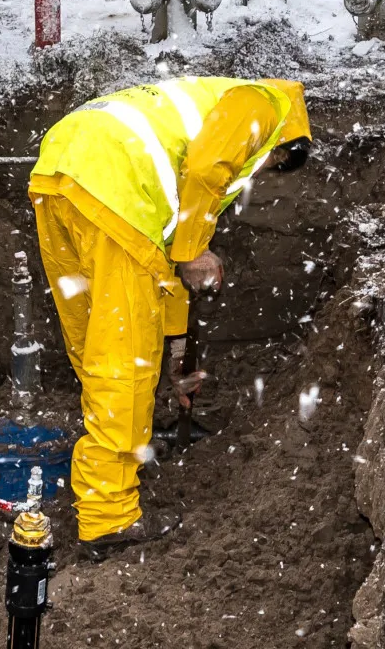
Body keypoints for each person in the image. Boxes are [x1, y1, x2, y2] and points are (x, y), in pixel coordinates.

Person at [28, 77, 311, 559]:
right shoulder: (265, 104)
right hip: (114, 188)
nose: (260, 172)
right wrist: (196, 250)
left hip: (63, 172)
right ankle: (108, 518)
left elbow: (163, 270)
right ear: (287, 143)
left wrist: (178, 360)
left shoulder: (194, 117)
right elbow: (205, 173)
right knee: (124, 362)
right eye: (271, 165)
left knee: (96, 348)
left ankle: (110, 464)